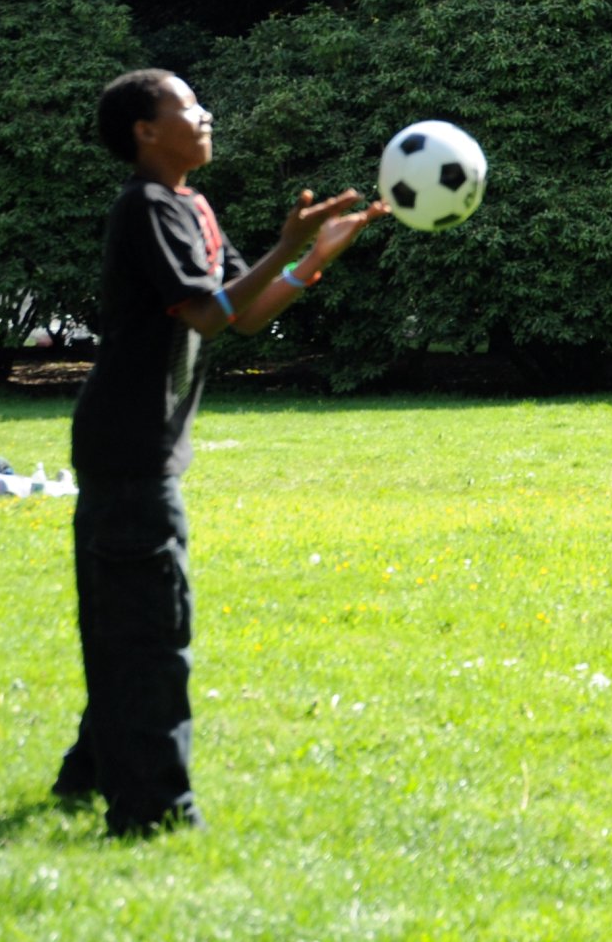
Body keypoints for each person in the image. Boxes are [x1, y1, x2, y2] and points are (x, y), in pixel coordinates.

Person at [51, 69, 388, 837]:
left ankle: (91, 771)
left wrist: (310, 260)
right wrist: (283, 243)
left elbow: (242, 314)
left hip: (137, 443)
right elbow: (206, 312)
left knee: (124, 620)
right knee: (149, 631)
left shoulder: (190, 207)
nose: (205, 114)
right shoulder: (144, 207)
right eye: (188, 106)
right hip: (130, 446)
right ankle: (153, 814)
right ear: (146, 129)